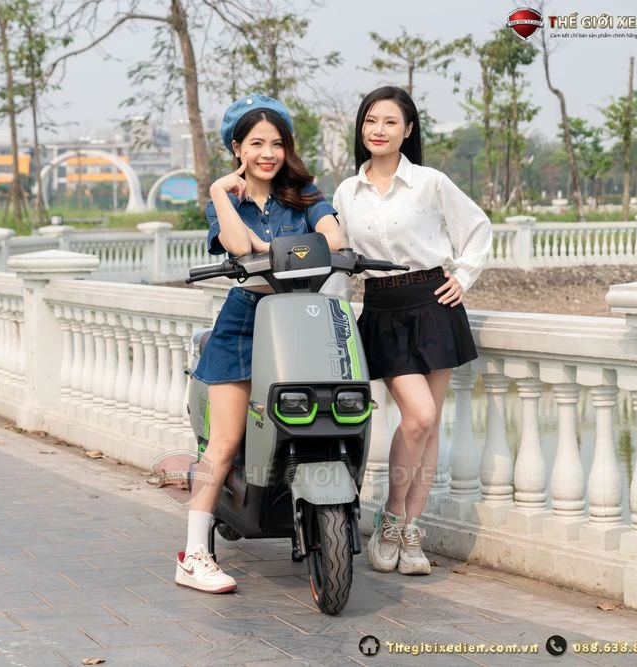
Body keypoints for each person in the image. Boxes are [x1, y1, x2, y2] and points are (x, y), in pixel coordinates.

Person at [176, 94, 346, 593]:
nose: (267, 153)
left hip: (304, 319)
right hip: (246, 320)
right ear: (237, 148)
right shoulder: (224, 200)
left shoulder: (305, 194)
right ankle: (194, 555)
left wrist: (272, 245)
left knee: (318, 414)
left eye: (276, 143)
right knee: (225, 441)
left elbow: (334, 239)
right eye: (255, 143)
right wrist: (219, 190)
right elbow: (237, 245)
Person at [332, 86, 491, 576]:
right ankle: (391, 517)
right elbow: (340, 260)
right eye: (370, 121)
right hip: (383, 306)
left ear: (408, 130)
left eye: (390, 122)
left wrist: (463, 277)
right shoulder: (347, 192)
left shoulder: (429, 182)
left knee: (430, 424)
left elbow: (478, 227)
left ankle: (410, 530)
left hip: (434, 303)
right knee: (419, 416)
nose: (378, 130)